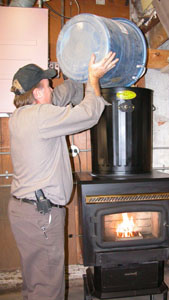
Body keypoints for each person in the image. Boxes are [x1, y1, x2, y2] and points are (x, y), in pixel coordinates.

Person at [8, 51, 118, 300]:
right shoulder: (41, 117)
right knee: (48, 287)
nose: (51, 90)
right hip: (40, 215)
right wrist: (93, 80)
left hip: (24, 212)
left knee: (35, 280)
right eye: (47, 86)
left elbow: (58, 97)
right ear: (36, 94)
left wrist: (78, 76)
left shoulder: (20, 117)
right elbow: (89, 114)